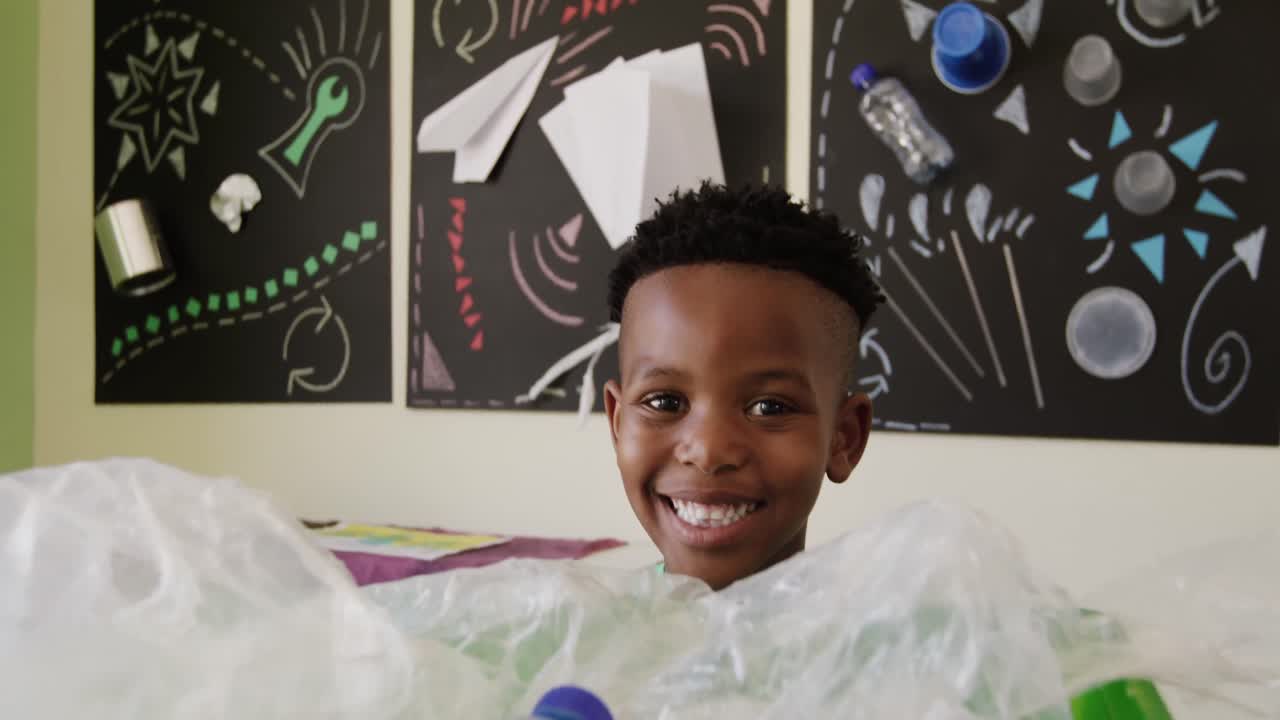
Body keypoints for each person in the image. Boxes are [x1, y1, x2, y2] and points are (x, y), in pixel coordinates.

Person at [603, 183, 883, 590]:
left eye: (769, 407)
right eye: (665, 401)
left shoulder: (904, 645)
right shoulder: (576, 640)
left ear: (844, 438)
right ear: (617, 421)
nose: (708, 452)